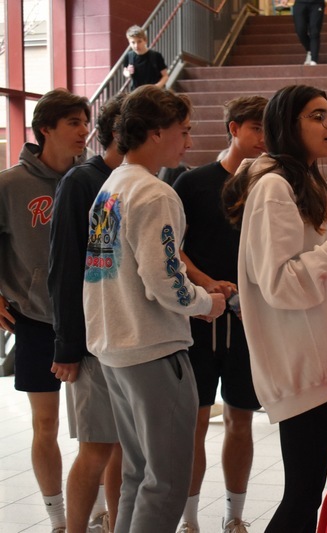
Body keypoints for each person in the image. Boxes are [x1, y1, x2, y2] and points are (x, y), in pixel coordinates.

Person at [221, 84, 327, 533]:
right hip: (299, 361)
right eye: (317, 115)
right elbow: (280, 284)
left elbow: (322, 267)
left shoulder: (305, 182)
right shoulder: (273, 187)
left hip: (321, 358)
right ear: (287, 124)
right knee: (301, 498)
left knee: (308, 494)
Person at [83, 85, 226, 532]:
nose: (189, 142)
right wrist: (207, 302)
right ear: (156, 132)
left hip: (115, 345)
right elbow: (165, 282)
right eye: (183, 131)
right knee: (166, 482)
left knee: (138, 474)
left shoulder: (112, 185)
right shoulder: (153, 193)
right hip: (151, 348)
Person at [173, 95, 268, 533]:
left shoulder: (269, 185)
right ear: (234, 128)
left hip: (249, 321)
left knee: (241, 419)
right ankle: (189, 519)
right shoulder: (193, 183)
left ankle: (234, 515)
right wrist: (207, 282)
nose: (263, 139)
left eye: (269, 130)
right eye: (256, 128)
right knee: (195, 422)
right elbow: (171, 248)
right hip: (199, 318)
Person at [0, 88, 90, 533]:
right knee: (45, 423)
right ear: (45, 130)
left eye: (85, 122)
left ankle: (94, 511)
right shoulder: (9, 184)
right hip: (35, 318)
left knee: (97, 426)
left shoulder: (93, 180)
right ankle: (57, 518)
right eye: (73, 123)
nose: (84, 131)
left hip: (91, 318)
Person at [48, 94, 125, 533]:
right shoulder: (82, 181)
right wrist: (68, 346)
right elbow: (64, 266)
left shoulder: (135, 179)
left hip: (126, 336)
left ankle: (117, 525)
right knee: (96, 448)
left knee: (124, 450)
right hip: (93, 339)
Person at [122, 25, 168, 89]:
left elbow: (165, 76)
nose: (136, 46)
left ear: (145, 40)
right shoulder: (128, 56)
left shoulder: (156, 56)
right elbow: (125, 71)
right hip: (136, 91)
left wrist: (156, 87)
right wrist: (128, 73)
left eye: (139, 41)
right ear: (129, 42)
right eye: (133, 42)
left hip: (154, 92)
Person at [292, 0, 325, 65]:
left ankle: (314, 59)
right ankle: (310, 50)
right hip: (300, 3)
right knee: (300, 30)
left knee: (315, 31)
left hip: (317, 4)